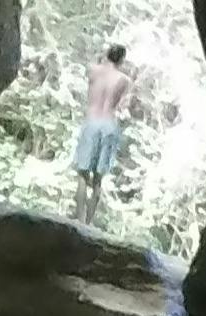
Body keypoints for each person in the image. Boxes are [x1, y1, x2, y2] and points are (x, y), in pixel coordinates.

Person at [73, 44, 134, 231]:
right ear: (122, 60)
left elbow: (93, 67)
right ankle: (89, 224)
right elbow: (124, 106)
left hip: (92, 122)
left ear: (107, 54)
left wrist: (102, 56)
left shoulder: (93, 70)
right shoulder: (124, 80)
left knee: (83, 175)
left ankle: (79, 219)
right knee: (98, 179)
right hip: (109, 124)